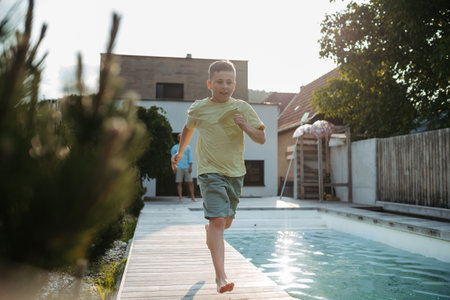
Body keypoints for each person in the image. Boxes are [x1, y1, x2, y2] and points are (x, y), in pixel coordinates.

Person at [171, 60, 266, 294]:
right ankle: (221, 277)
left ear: (235, 84)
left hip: (234, 173)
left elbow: (262, 138)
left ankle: (209, 230)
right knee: (218, 221)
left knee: (225, 222)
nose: (224, 86)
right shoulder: (199, 108)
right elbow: (188, 128)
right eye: (219, 82)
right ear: (209, 84)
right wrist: (181, 151)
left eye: (228, 82)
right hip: (209, 171)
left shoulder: (241, 107)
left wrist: (245, 126)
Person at [171, 134, 197, 203]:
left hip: (187, 167)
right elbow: (172, 159)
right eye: (179, 137)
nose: (181, 139)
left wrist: (190, 166)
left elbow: (190, 158)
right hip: (178, 167)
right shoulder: (174, 148)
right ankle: (180, 198)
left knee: (190, 183)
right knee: (179, 183)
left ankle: (193, 197)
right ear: (178, 139)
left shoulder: (188, 147)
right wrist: (173, 167)